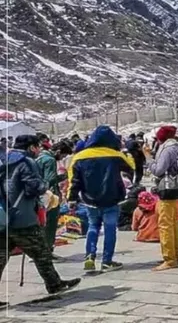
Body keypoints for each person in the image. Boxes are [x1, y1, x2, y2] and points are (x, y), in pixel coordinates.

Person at [0, 135, 81, 303]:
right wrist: (45, 189)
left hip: (3, 218)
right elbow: (34, 187)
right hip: (23, 217)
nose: (38, 150)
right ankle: (54, 284)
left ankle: (54, 283)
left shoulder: (3, 160)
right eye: (37, 147)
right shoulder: (26, 162)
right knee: (41, 253)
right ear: (31, 147)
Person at [68, 125, 135, 273]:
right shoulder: (116, 155)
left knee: (93, 227)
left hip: (90, 200)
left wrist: (71, 198)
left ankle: (89, 256)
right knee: (110, 229)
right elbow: (131, 168)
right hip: (112, 199)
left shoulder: (79, 157)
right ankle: (107, 261)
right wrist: (125, 152)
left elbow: (74, 180)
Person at [145, 125, 178, 270]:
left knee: (165, 225)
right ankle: (176, 255)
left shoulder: (167, 150)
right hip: (175, 190)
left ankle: (169, 259)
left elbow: (158, 170)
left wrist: (148, 158)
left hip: (166, 190)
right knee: (174, 223)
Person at [36, 140, 68, 257]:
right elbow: (50, 180)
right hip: (49, 196)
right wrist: (63, 177)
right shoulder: (50, 160)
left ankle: (39, 252)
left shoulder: (40, 157)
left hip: (38, 195)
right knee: (50, 225)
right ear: (58, 151)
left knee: (41, 225)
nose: (62, 158)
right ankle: (48, 251)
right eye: (63, 155)